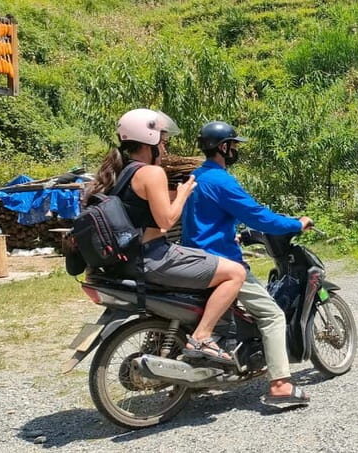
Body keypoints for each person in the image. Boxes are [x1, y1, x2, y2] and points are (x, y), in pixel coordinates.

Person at [84, 109, 246, 365]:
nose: (164, 148)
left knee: (210, 264)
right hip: (153, 257)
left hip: (130, 258)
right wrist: (183, 192)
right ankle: (202, 336)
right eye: (163, 141)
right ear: (149, 139)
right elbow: (167, 220)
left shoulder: (123, 171)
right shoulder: (151, 173)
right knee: (235, 272)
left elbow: (141, 212)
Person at [181, 121, 313, 405]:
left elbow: (204, 219)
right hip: (221, 261)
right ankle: (280, 386)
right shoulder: (222, 181)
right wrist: (296, 224)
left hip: (194, 257)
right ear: (224, 147)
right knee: (272, 315)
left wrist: (231, 234)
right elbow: (258, 216)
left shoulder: (196, 177)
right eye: (234, 145)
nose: (235, 151)